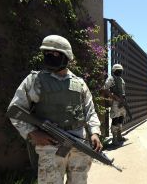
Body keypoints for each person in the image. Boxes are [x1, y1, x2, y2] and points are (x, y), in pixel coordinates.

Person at [7, 35, 103, 184]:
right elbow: (15, 111)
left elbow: (90, 111)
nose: (50, 57)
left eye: (56, 54)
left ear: (67, 56)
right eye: (47, 53)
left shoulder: (80, 84)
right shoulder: (35, 80)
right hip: (50, 147)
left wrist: (95, 132)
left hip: (79, 145)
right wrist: (32, 133)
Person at [102, 64, 128, 146]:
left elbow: (123, 91)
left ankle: (119, 136)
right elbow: (105, 89)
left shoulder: (121, 80)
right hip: (115, 102)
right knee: (115, 119)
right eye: (118, 70)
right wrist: (114, 97)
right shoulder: (111, 79)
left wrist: (123, 100)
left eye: (121, 70)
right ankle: (114, 138)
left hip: (121, 102)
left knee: (121, 118)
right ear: (114, 71)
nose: (120, 72)